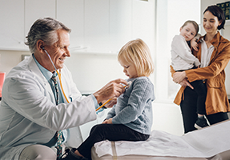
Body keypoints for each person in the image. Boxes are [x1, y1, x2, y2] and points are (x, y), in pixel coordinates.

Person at [0, 17, 128, 160]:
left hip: (59, 147)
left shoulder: (61, 71)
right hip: (21, 147)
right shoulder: (19, 80)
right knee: (43, 155)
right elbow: (53, 117)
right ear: (41, 46)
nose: (68, 53)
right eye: (62, 47)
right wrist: (98, 96)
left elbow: (75, 102)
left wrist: (101, 104)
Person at [60, 39, 155, 160]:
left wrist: (112, 121)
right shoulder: (129, 82)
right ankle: (84, 155)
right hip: (127, 125)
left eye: (127, 66)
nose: (124, 70)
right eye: (123, 67)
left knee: (99, 131)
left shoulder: (143, 83)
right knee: (97, 128)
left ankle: (76, 156)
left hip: (137, 130)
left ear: (141, 62)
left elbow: (133, 111)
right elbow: (117, 105)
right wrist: (108, 119)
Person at [171, 5, 230, 133]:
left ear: (220, 22)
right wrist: (176, 76)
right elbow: (176, 60)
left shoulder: (226, 45)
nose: (207, 24)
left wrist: (185, 74)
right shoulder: (195, 41)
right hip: (190, 91)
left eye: (211, 20)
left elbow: (213, 70)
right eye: (205, 20)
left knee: (224, 135)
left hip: (214, 94)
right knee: (191, 137)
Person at [171, 20, 208, 129]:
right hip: (186, 69)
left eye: (191, 33)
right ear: (180, 28)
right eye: (187, 30)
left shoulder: (185, 41)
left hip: (185, 70)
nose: (188, 34)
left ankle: (200, 118)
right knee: (202, 91)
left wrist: (193, 39)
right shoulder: (178, 39)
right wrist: (197, 62)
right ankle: (201, 119)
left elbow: (199, 35)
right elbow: (184, 54)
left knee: (200, 91)